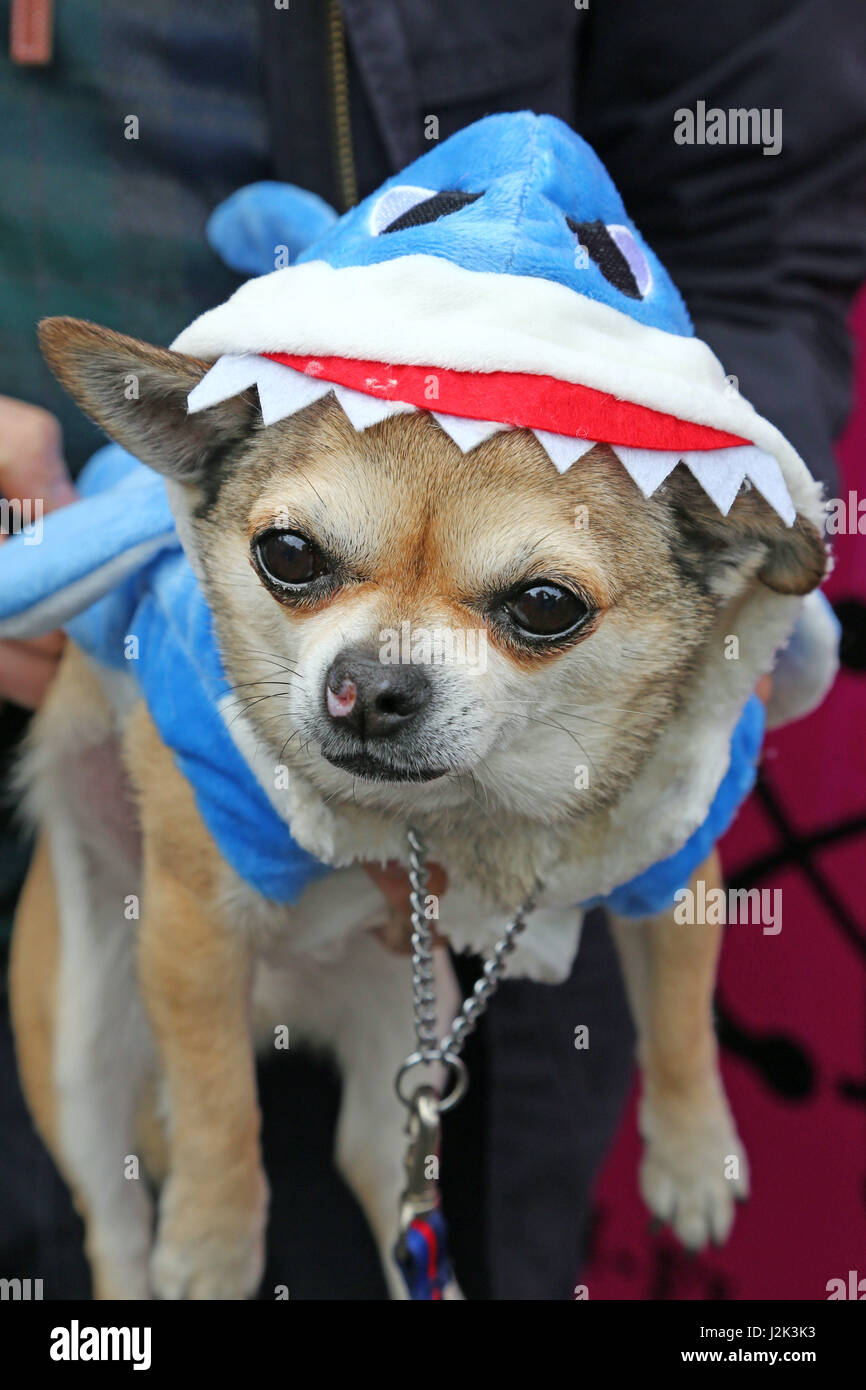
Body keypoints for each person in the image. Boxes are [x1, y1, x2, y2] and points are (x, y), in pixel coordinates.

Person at [1, 0, 864, 1299]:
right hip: (67, 684)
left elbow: (759, 223)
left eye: (532, 605)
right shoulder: (189, 658)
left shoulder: (681, 670)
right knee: (84, 1188)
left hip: (516, 1013)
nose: (372, 676)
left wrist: (678, 1096)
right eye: (301, 561)